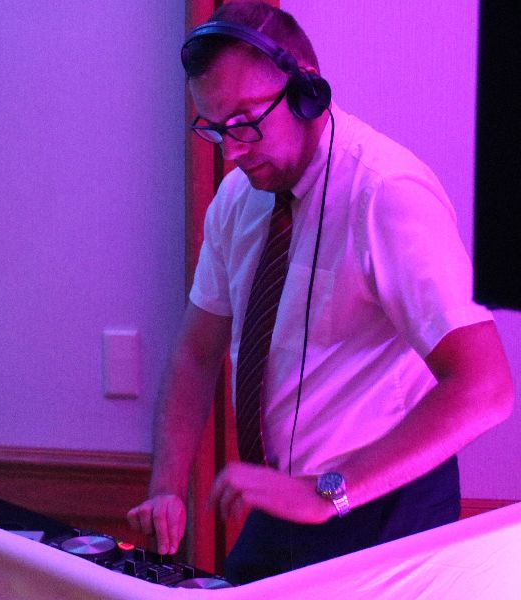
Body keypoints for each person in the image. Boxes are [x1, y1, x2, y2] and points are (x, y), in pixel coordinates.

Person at [127, 1, 514, 584]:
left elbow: (486, 388)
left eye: (245, 122)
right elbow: (196, 354)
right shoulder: (237, 199)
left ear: (307, 89)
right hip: (288, 498)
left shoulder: (387, 193)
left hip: (385, 504)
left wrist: (329, 491)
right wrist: (166, 488)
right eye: (215, 128)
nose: (232, 151)